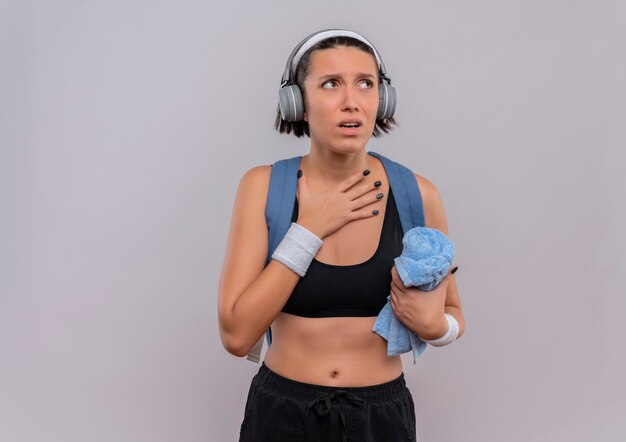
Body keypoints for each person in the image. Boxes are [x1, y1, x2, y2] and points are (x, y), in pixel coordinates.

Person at [218, 29, 465, 442]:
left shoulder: (418, 195)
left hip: (381, 417)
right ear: (297, 102)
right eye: (330, 84)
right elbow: (236, 335)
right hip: (282, 415)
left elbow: (454, 312)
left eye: (365, 84)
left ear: (382, 99)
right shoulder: (263, 187)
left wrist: (436, 327)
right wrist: (309, 229)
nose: (351, 101)